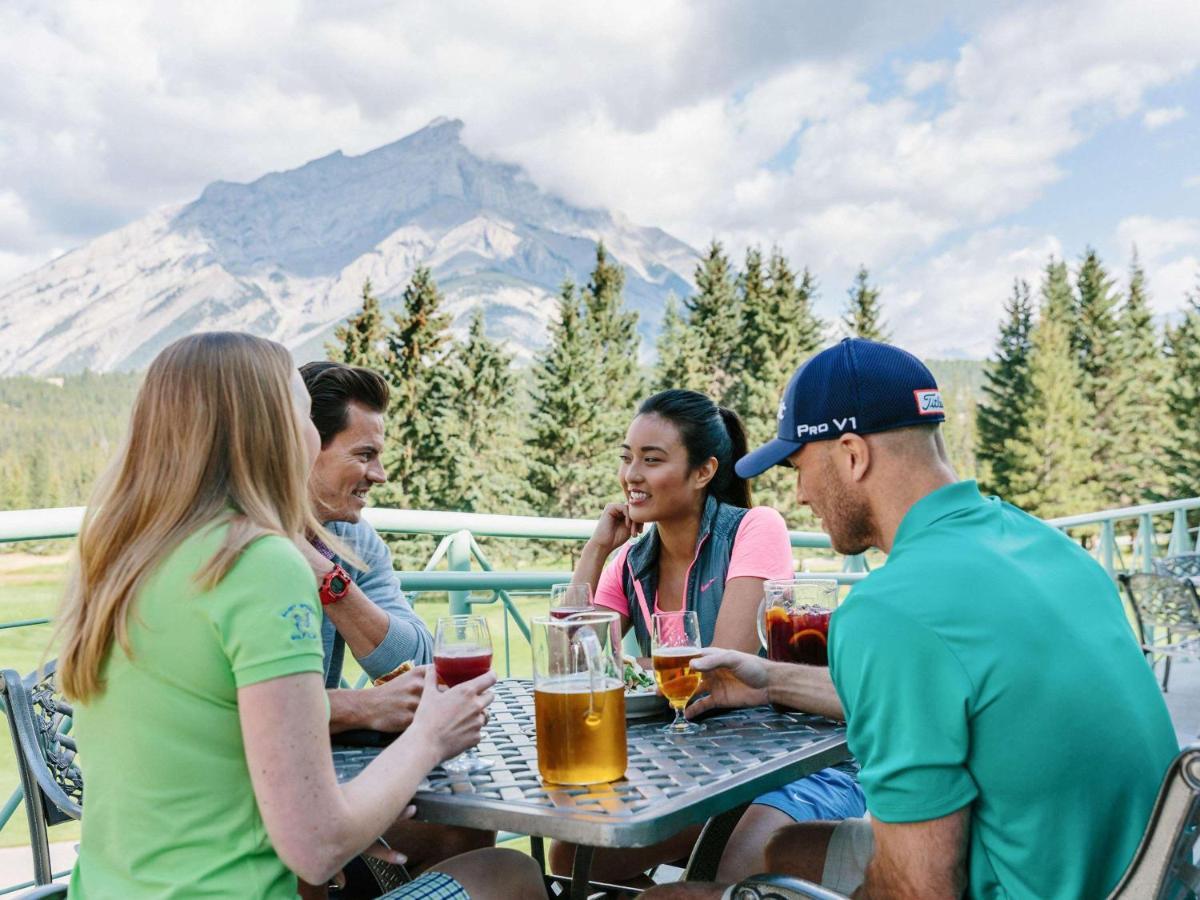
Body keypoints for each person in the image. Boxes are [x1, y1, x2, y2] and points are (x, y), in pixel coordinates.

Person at [644, 338, 1178, 900]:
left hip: (1008, 886)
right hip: (1127, 874)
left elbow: (918, 892)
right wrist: (768, 679)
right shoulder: (1048, 547)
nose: (800, 494)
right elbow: (954, 690)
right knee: (785, 849)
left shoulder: (890, 612)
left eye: (800, 466)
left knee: (668, 899)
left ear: (852, 455)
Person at [58, 332, 543, 899]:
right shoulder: (257, 563)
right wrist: (432, 736)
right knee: (510, 875)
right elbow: (316, 844)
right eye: (300, 412)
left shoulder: (120, 557)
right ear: (275, 430)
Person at [548, 389, 864, 889]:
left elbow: (718, 668)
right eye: (627, 458)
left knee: (736, 863)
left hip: (790, 763)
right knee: (572, 853)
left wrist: (631, 671)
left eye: (652, 461)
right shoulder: (631, 561)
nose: (632, 474)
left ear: (703, 472)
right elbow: (569, 664)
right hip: (696, 767)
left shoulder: (755, 529)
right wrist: (597, 547)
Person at [292, 361, 493, 890]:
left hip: (307, 789)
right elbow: (234, 708)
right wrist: (362, 706)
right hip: (261, 809)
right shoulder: (237, 550)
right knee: (508, 874)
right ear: (300, 448)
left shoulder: (351, 541)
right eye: (364, 455)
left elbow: (416, 660)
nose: (379, 475)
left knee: (464, 826)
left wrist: (330, 582)